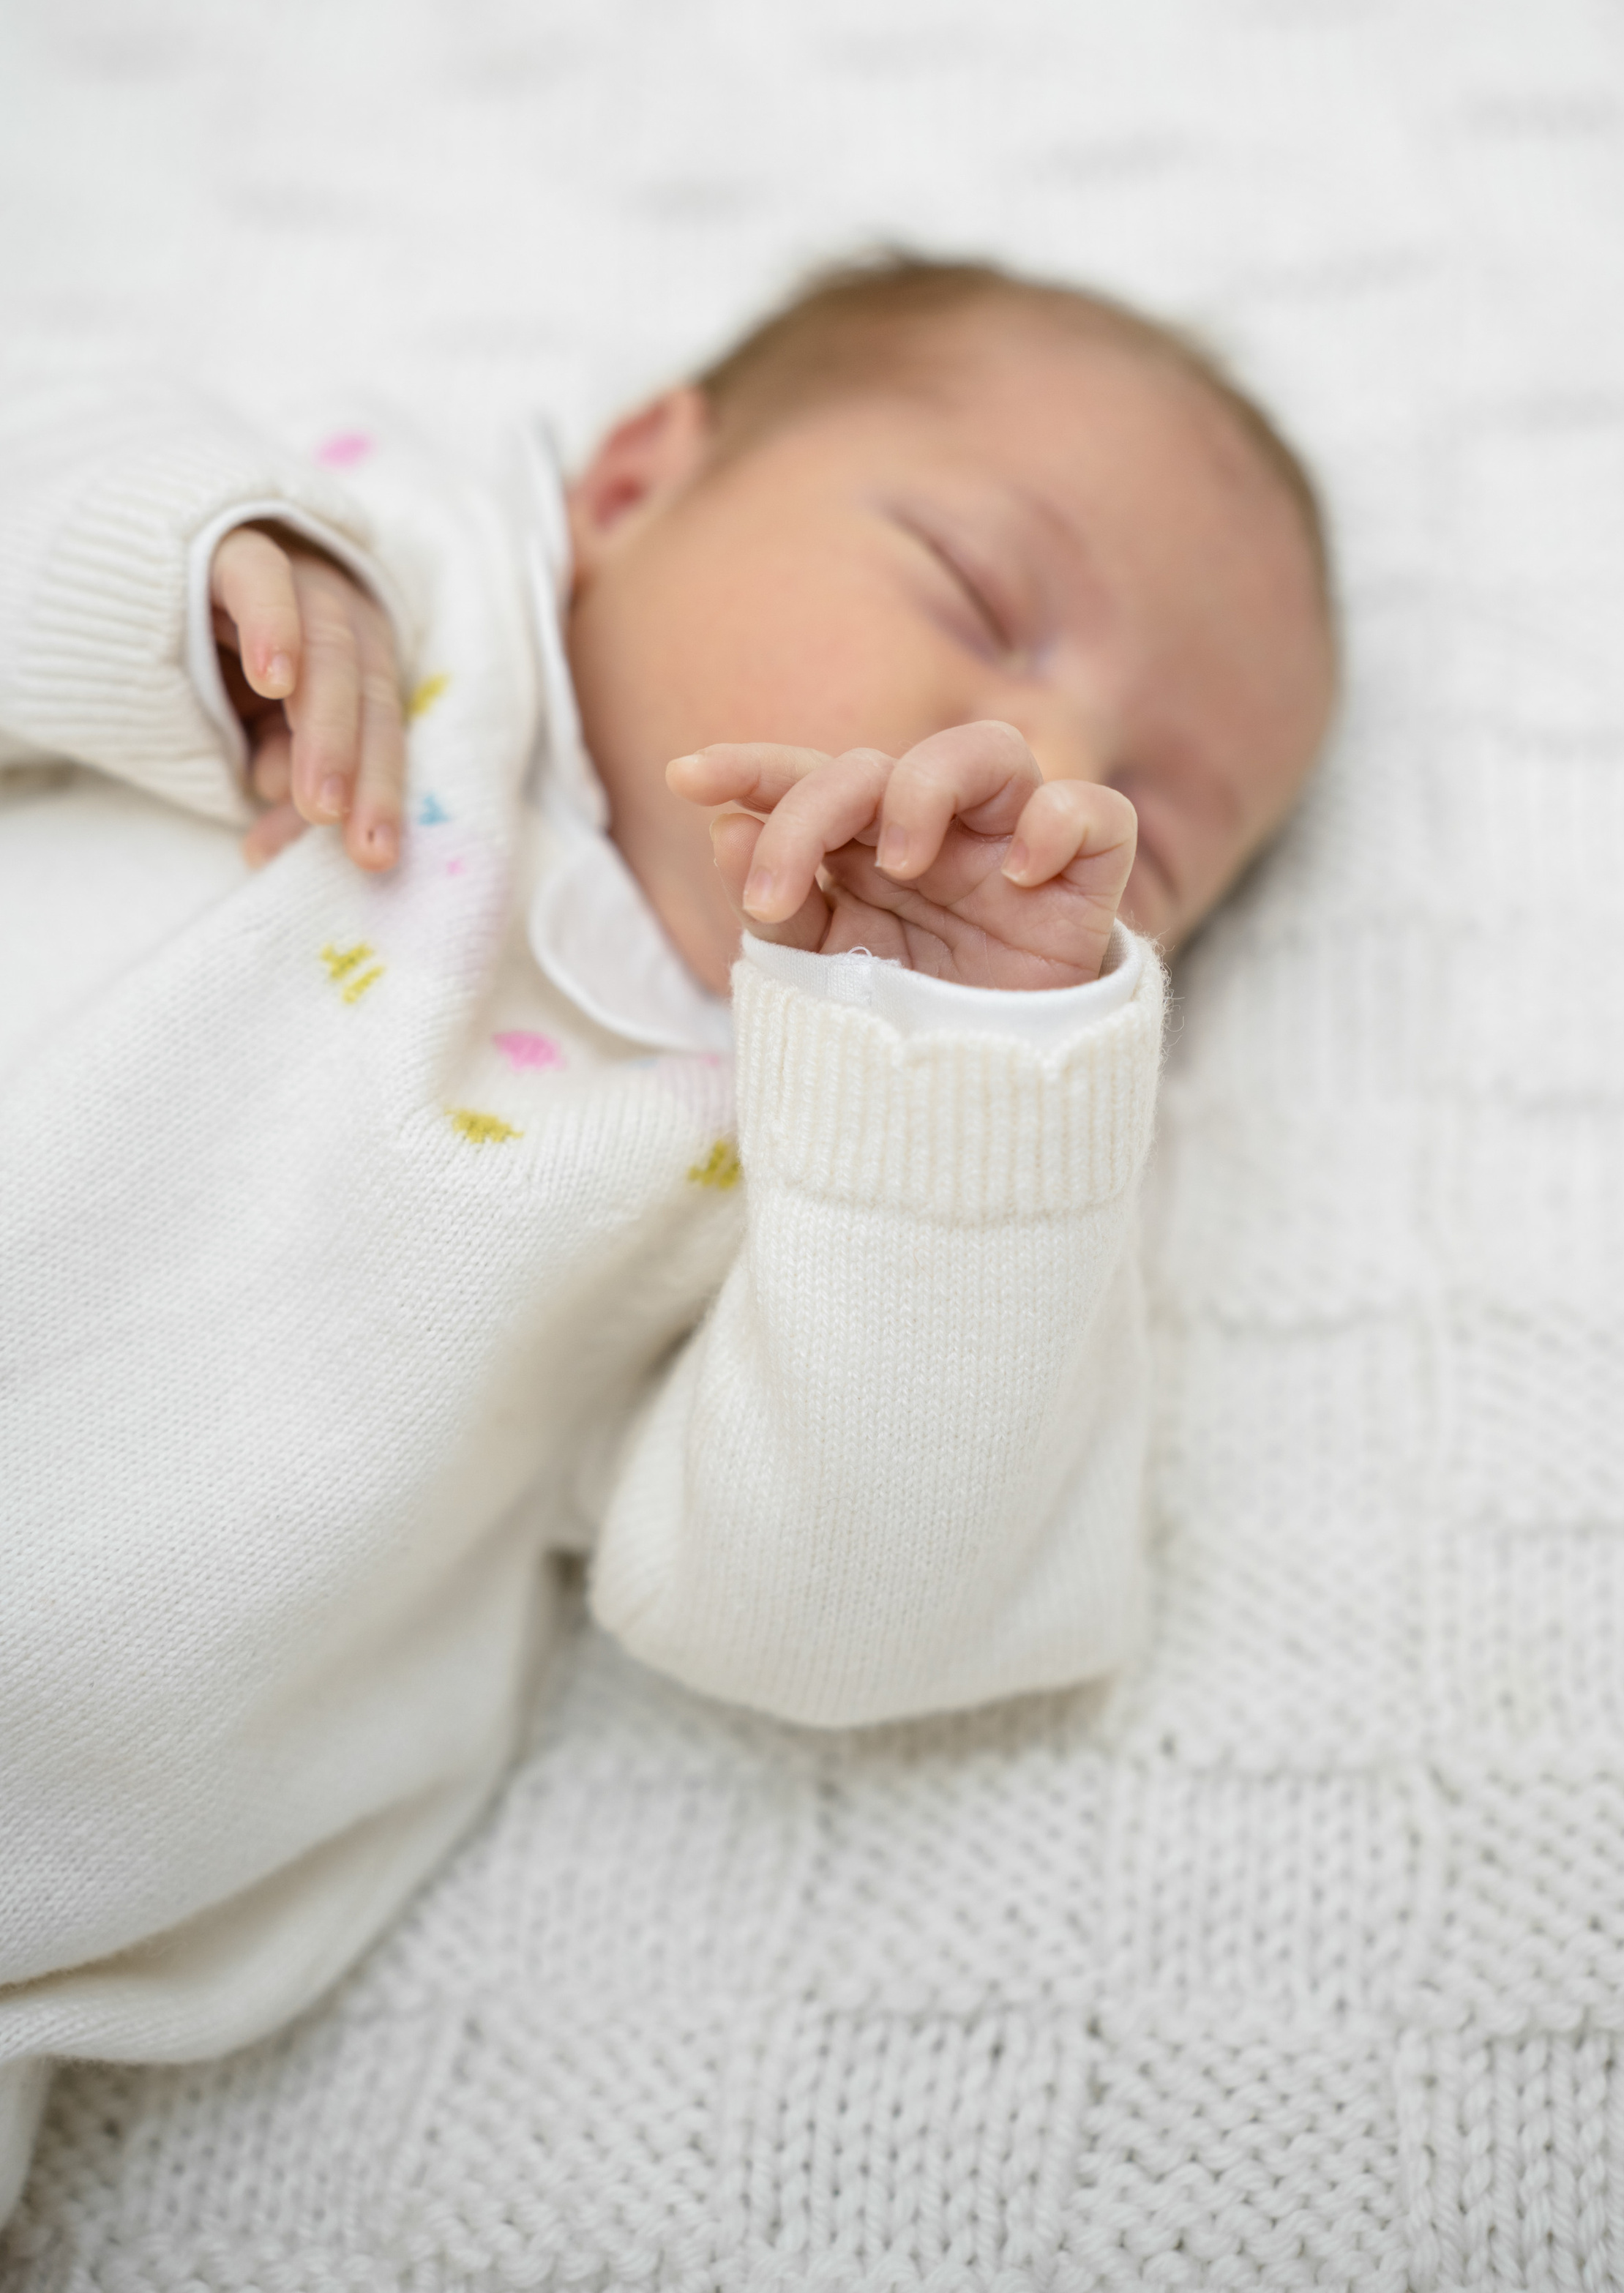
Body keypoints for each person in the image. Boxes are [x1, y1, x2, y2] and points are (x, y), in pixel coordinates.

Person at [0, 253, 1336, 2220]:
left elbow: (854, 1611)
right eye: (978, 599)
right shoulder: (389, 591)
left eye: (1147, 834)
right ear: (636, 485)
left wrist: (966, 1076)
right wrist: (175, 578)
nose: (1033, 781)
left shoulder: (842, 1183)